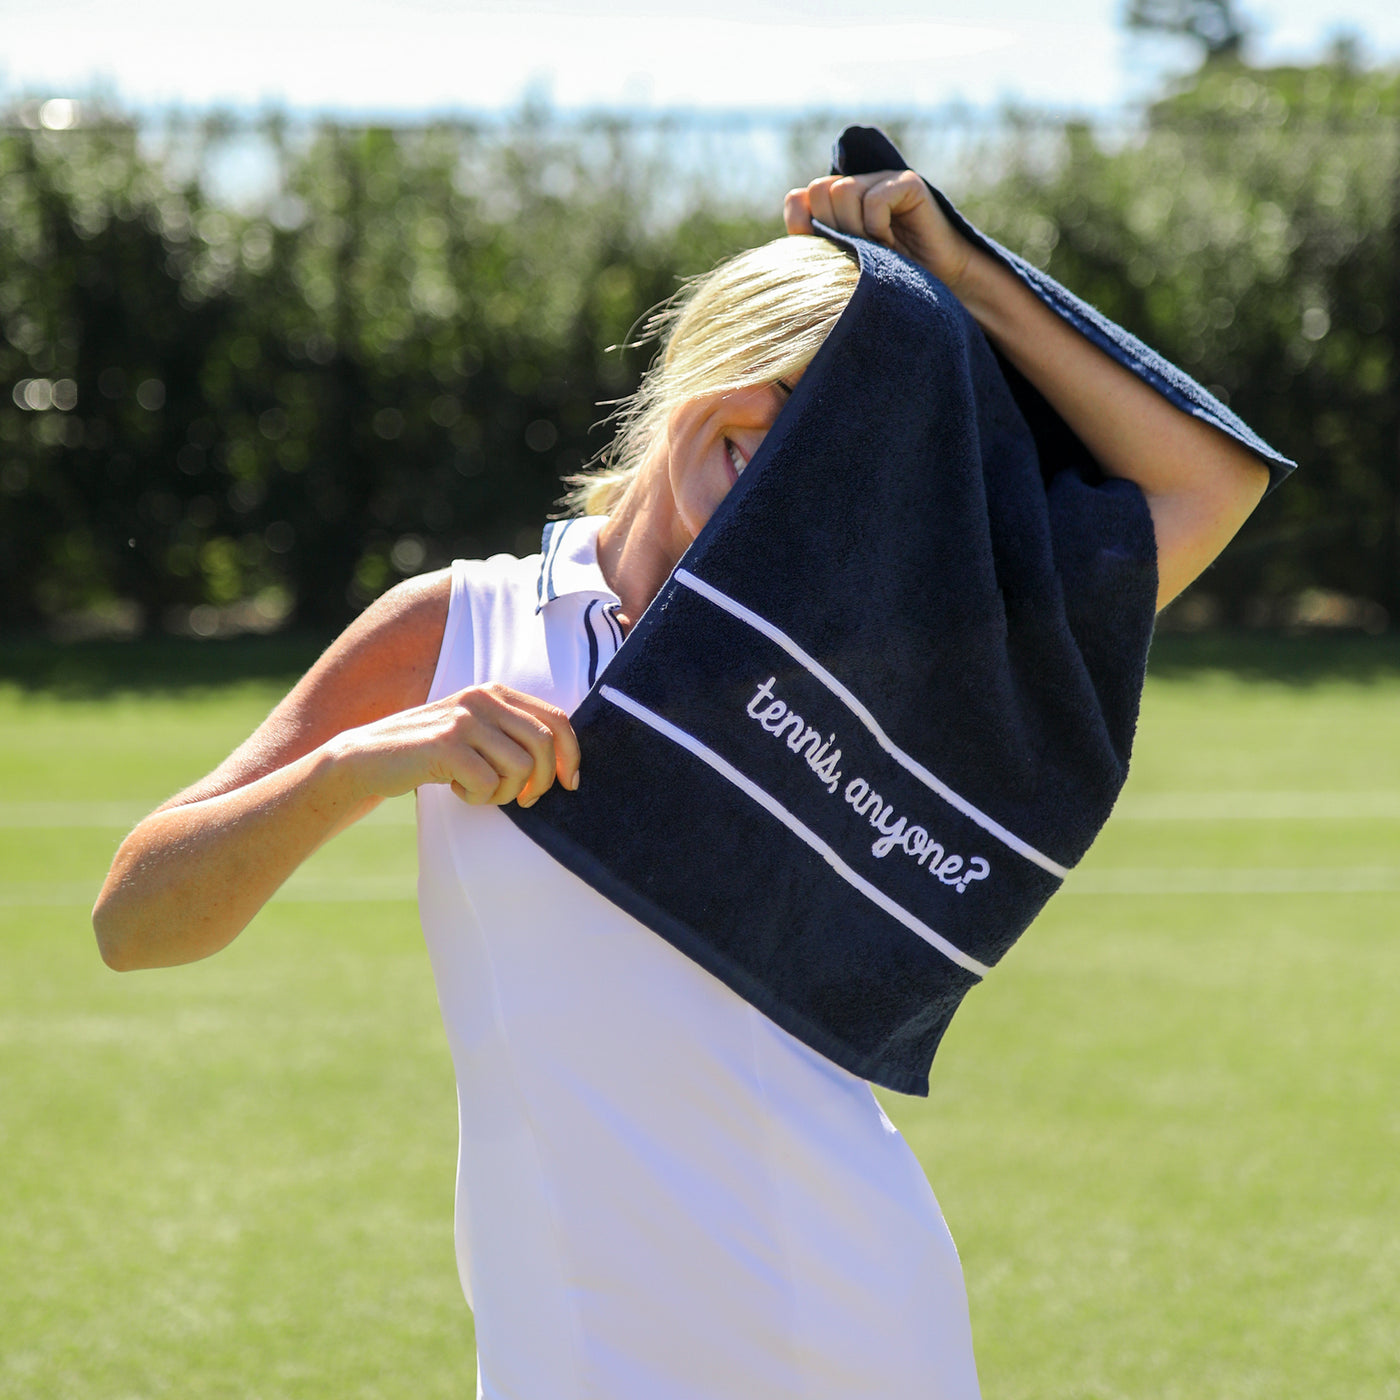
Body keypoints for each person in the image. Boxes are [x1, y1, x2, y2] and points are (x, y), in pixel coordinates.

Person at [93, 169, 1270, 1398]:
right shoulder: (456, 626)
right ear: (721, 431)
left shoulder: (861, 649)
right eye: (817, 505)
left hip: (853, 1328)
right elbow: (135, 923)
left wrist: (963, 278)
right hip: (564, 1342)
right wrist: (360, 762)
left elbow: (1205, 484)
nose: (842, 561)